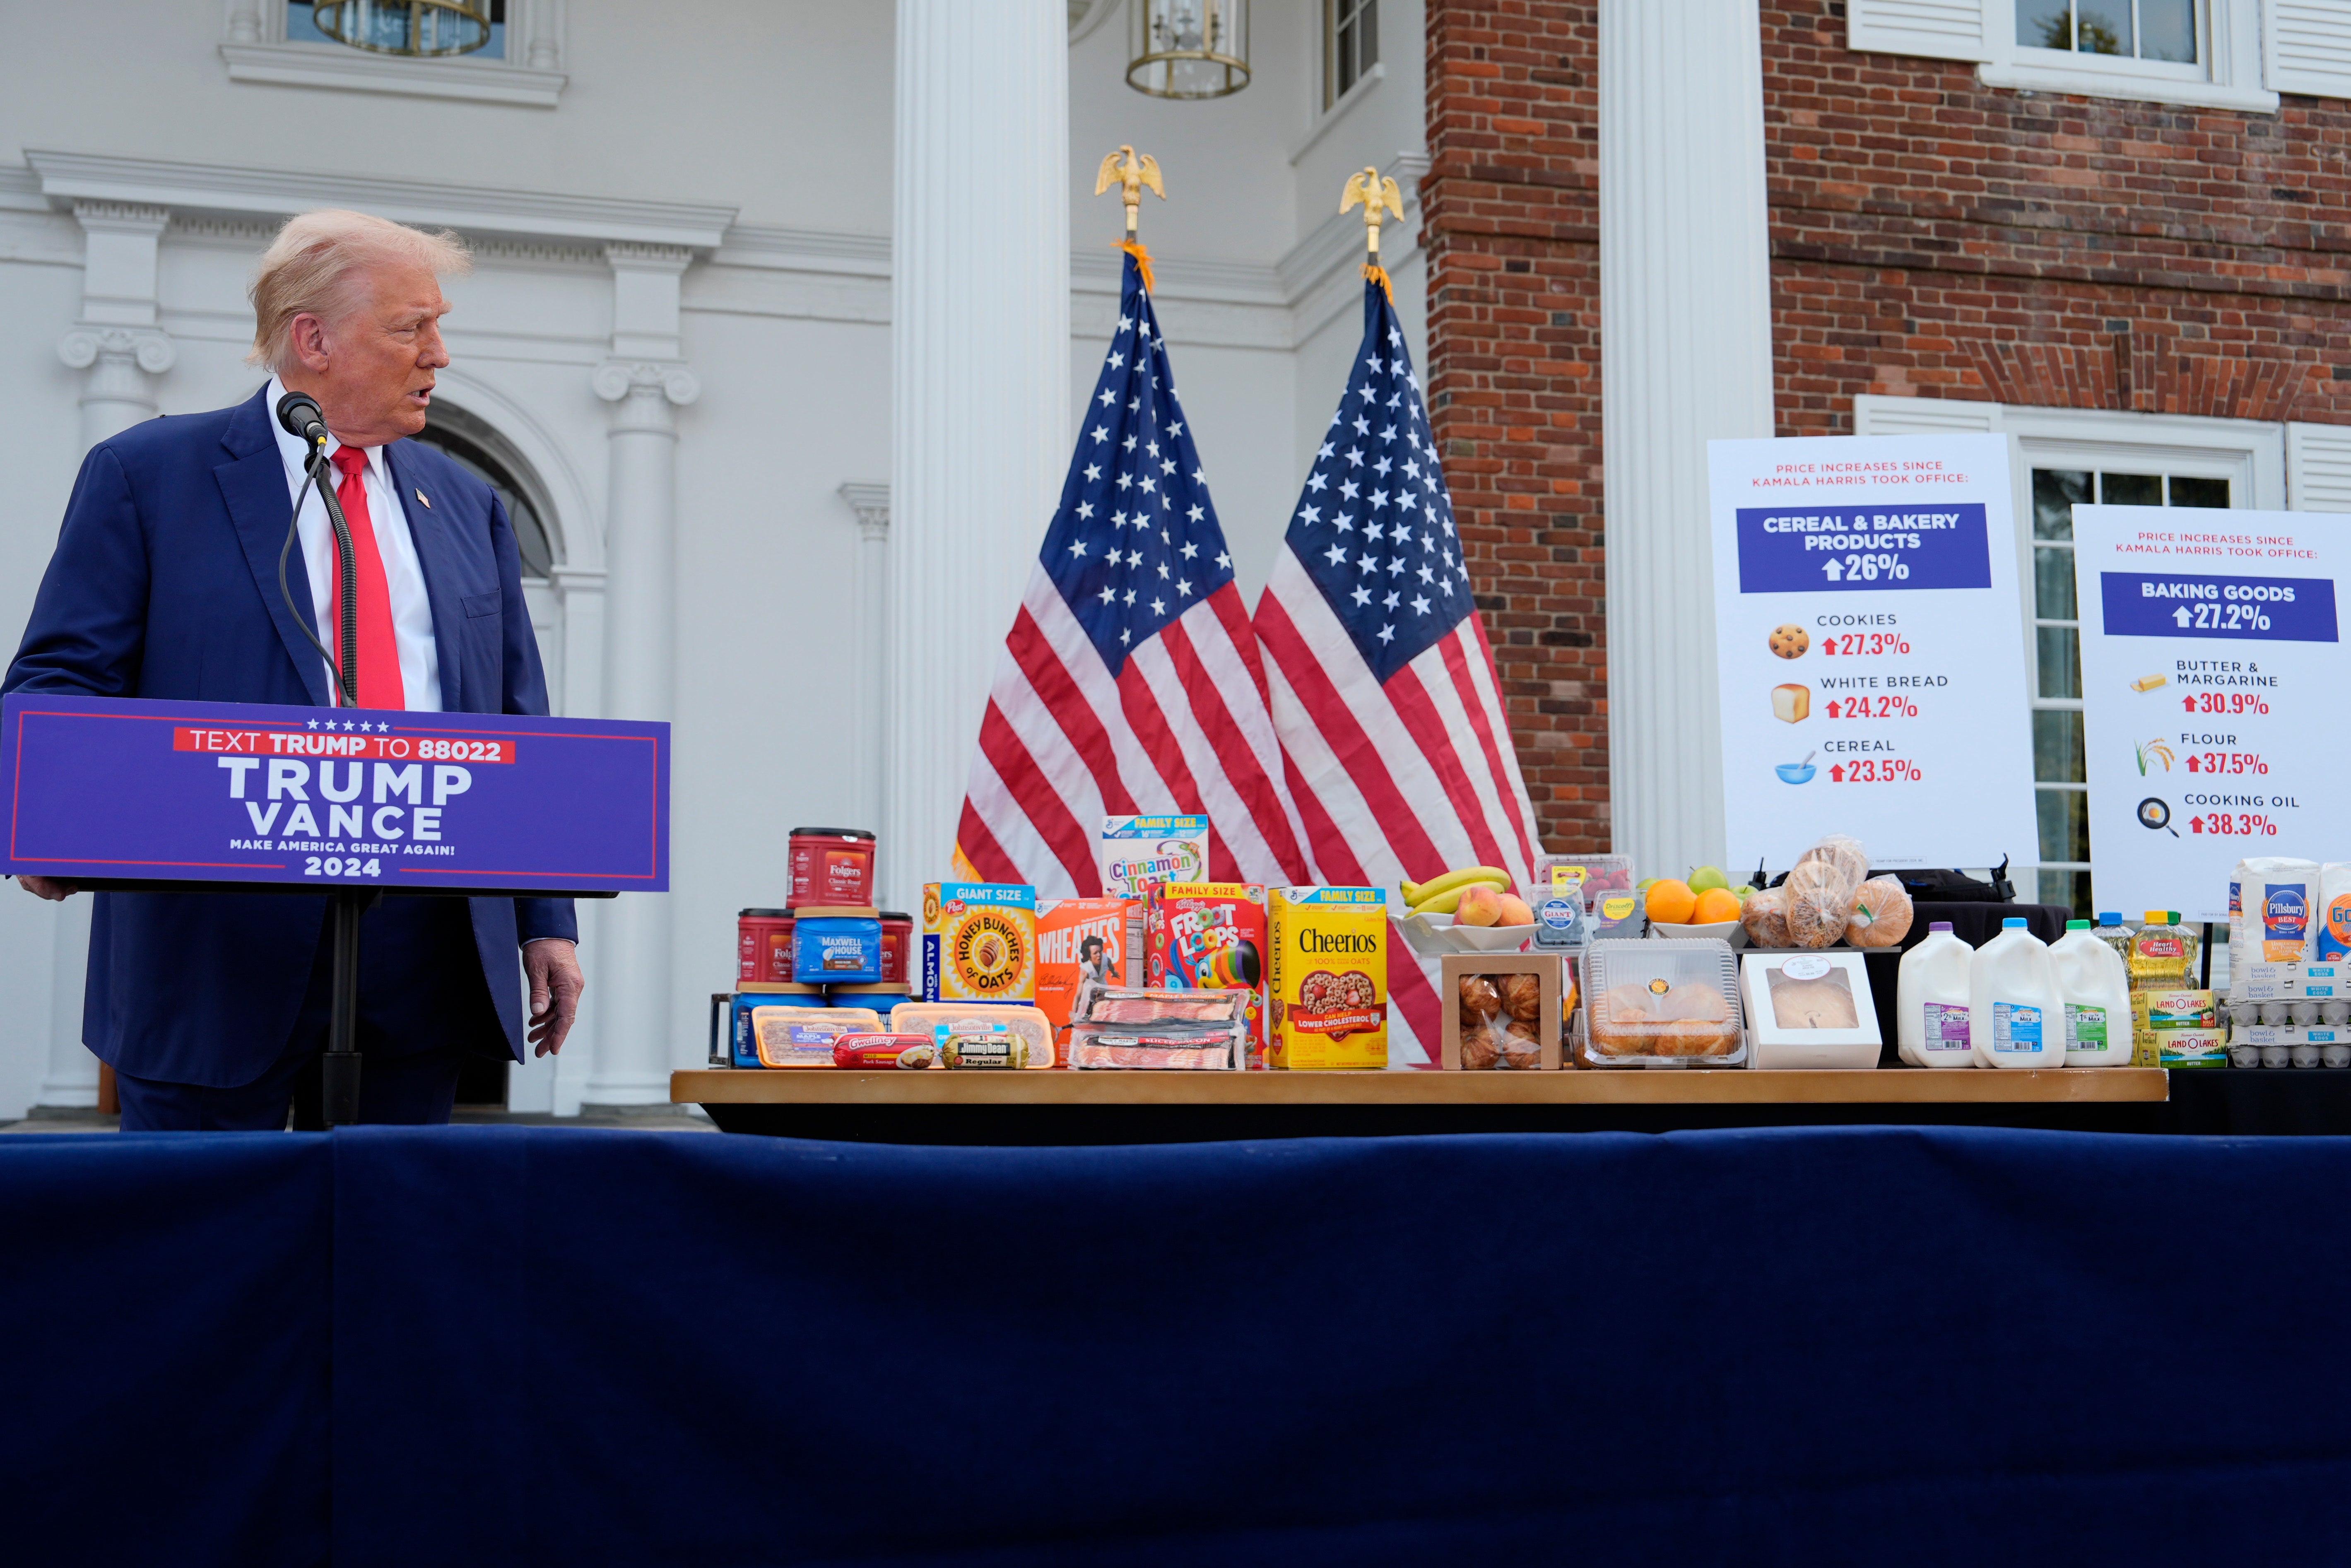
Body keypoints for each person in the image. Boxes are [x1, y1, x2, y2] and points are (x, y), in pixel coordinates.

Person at [5, 209, 584, 1131]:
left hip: (419, 938)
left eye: (438, 325)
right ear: (312, 339)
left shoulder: (468, 504)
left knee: (388, 1245)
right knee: (201, 1254)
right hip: (212, 940)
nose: (438, 353)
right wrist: (55, 818)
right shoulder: (148, 475)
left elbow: (518, 721)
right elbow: (60, 678)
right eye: (411, 326)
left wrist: (545, 918)